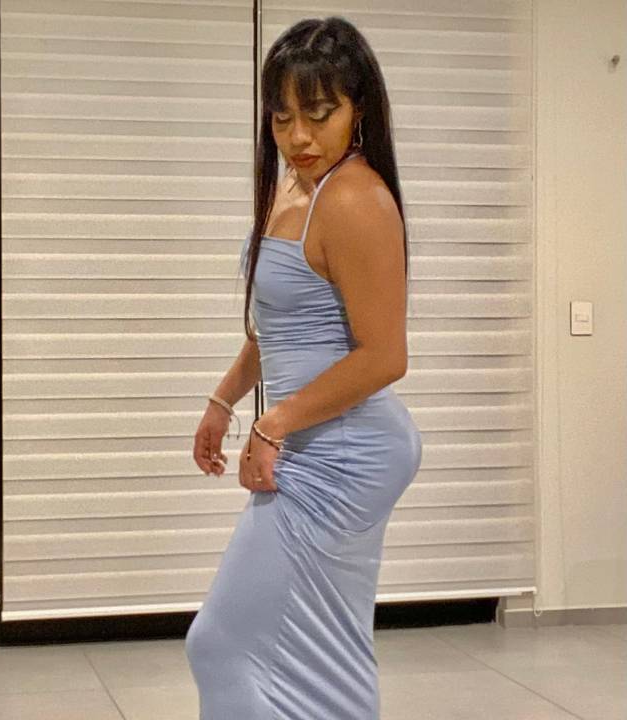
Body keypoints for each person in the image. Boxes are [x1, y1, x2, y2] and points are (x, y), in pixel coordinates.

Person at [185, 16, 422, 720]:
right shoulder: (292, 185)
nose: (298, 137)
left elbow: (385, 356)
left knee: (221, 645)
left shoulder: (355, 199)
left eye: (319, 115)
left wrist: (275, 423)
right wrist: (225, 400)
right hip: (317, 442)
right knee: (318, 654)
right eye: (282, 116)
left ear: (359, 108)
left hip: (343, 450)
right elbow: (281, 323)